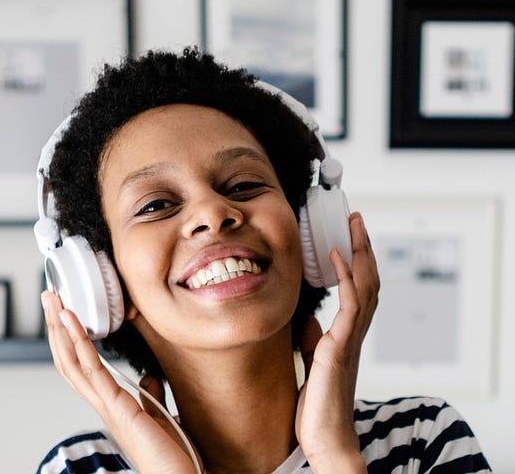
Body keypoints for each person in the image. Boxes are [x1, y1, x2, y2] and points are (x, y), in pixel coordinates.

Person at [36, 48, 490, 474]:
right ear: (102, 278)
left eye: (243, 185)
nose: (213, 214)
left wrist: (336, 457)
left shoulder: (422, 440)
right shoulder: (79, 468)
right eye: (155, 205)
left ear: (307, 229)